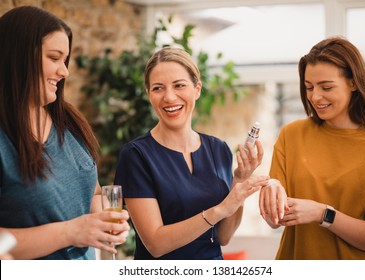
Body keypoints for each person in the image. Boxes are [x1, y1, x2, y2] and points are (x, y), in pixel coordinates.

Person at [114, 47, 269, 260]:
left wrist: (240, 180)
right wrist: (219, 210)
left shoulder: (218, 149)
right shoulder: (136, 156)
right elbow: (155, 244)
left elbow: (223, 237)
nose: (169, 97)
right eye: (158, 88)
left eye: (179, 85)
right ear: (149, 94)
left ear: (197, 89)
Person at [0, 6, 129, 260]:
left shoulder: (67, 120)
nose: (65, 71)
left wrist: (103, 219)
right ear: (18, 56)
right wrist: (70, 232)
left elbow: (91, 192)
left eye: (65, 60)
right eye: (54, 57)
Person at [259, 37, 365, 259]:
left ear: (354, 83)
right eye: (309, 87)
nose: (315, 97)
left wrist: (323, 214)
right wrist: (270, 192)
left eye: (326, 87)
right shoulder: (292, 135)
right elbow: (275, 220)